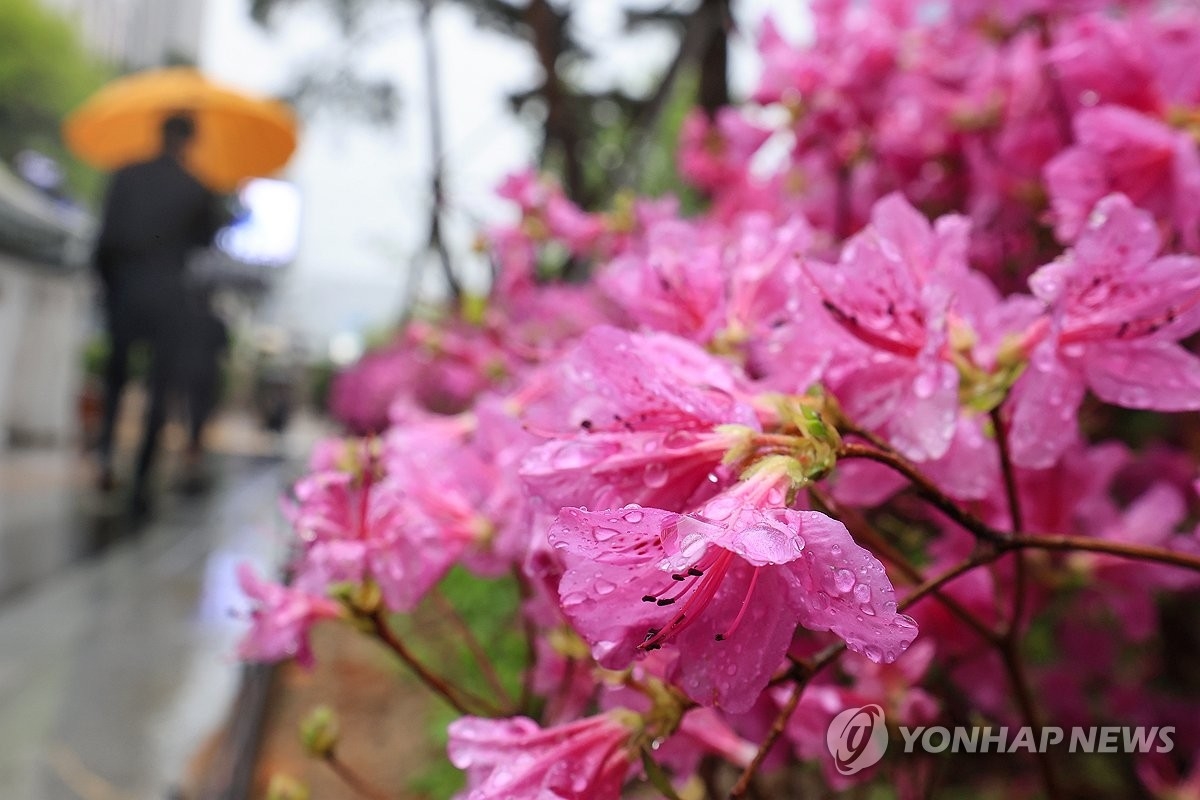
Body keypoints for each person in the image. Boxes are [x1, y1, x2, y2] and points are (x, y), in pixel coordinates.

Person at [92, 113, 223, 514]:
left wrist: (108, 291)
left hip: (125, 291)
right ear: (189, 141)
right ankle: (141, 478)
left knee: (116, 380)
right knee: (159, 390)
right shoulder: (196, 188)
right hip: (168, 297)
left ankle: (106, 455)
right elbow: (206, 243)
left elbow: (104, 241)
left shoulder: (126, 175)